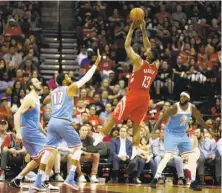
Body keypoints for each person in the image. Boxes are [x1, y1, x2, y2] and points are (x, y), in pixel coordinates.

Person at [32, 50, 101, 191]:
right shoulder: (69, 88)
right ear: (64, 81)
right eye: (68, 77)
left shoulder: (53, 92)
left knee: (49, 152)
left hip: (52, 123)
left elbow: (44, 101)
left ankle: (38, 180)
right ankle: (70, 177)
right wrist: (96, 64)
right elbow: (85, 79)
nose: (71, 78)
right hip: (63, 121)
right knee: (77, 148)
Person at [100, 20, 159, 156]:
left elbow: (127, 46)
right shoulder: (156, 65)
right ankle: (136, 149)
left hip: (134, 94)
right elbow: (148, 46)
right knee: (136, 125)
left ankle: (99, 137)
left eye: (148, 51)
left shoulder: (139, 61)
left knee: (115, 116)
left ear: (149, 55)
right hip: (145, 97)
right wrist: (143, 31)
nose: (146, 49)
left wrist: (132, 29)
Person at [150, 91, 215, 191]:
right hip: (170, 133)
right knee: (167, 156)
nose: (182, 98)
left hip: (181, 134)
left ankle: (193, 181)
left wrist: (209, 129)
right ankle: (155, 179)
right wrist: (153, 131)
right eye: (180, 96)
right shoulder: (174, 107)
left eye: (184, 97)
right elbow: (161, 118)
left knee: (192, 156)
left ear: (188, 99)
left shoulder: (191, 107)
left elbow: (200, 120)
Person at [9, 78, 58, 191]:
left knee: (38, 161)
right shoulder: (30, 98)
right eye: (36, 82)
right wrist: (18, 132)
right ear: (31, 86)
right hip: (29, 132)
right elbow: (17, 114)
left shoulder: (36, 99)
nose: (39, 82)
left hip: (31, 131)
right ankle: (44, 181)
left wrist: (45, 134)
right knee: (53, 149)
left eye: (38, 81)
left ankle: (17, 179)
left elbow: (36, 121)